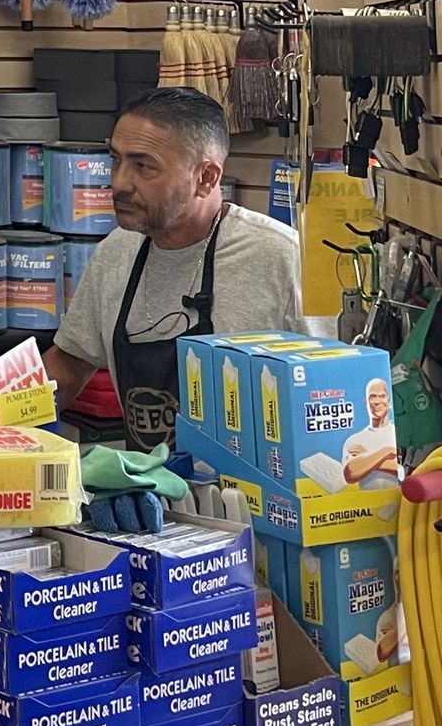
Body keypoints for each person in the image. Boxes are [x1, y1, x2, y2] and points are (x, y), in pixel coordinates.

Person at [45, 87, 300, 449]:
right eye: (115, 160)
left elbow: (330, 396)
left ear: (207, 178)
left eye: (143, 166)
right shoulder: (115, 253)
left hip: (253, 499)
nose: (119, 183)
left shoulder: (280, 258)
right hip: (150, 494)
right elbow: (68, 366)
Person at [341, 376, 398, 487]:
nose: (377, 402)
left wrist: (366, 457)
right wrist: (387, 451)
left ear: (389, 401)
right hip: (368, 503)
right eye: (372, 397)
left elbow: (403, 469)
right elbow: (350, 473)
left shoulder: (399, 433)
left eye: (382, 396)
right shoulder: (354, 440)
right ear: (366, 403)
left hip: (401, 502)